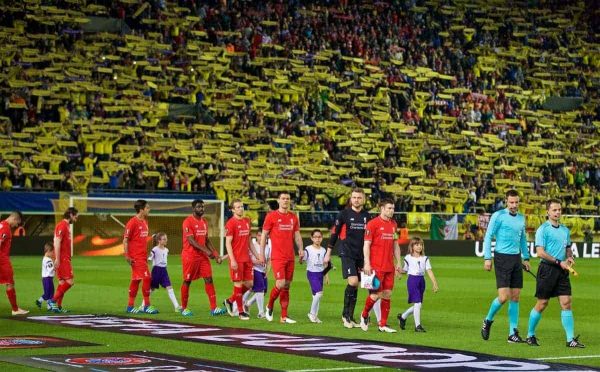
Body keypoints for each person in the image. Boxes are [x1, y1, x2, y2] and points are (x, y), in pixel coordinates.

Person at [525, 199, 584, 348]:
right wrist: (559, 262)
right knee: (542, 303)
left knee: (566, 303)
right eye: (554, 210)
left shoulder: (565, 230)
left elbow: (568, 247)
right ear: (548, 212)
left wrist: (570, 256)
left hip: (562, 271)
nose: (557, 212)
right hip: (547, 270)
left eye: (559, 210)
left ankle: (570, 339)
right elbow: (540, 253)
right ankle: (530, 335)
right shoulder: (542, 229)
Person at [481, 189, 530, 343]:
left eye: (516, 202)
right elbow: (488, 235)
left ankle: (512, 333)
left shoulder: (522, 218)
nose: (514, 205)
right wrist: (487, 257)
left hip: (516, 259)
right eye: (511, 202)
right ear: (506, 202)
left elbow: (522, 239)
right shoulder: (498, 216)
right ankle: (488, 320)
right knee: (503, 297)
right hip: (502, 258)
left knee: (515, 297)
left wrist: (526, 257)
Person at [325, 188, 370, 328]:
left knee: (357, 286)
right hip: (347, 252)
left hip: (361, 255)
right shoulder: (343, 214)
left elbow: (369, 238)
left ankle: (351, 317)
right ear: (351, 199)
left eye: (359, 197)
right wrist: (328, 253)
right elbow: (334, 234)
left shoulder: (367, 217)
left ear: (363, 199)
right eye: (354, 197)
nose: (356, 200)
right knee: (353, 281)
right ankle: (345, 315)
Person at [259, 191, 304, 324]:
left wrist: (300, 249)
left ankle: (284, 316)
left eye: (287, 199)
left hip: (290, 256)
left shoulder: (293, 217)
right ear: (278, 201)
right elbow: (263, 236)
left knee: (287, 286)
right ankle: (270, 305)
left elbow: (297, 235)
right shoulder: (271, 216)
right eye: (283, 198)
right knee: (280, 283)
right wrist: (261, 254)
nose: (285, 201)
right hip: (277, 256)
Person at [359, 198, 402, 333]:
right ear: (381, 209)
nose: (391, 211)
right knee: (375, 295)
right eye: (389, 208)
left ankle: (382, 325)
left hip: (389, 266)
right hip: (376, 267)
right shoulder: (372, 224)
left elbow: (395, 245)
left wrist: (398, 262)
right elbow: (366, 245)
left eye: (393, 208)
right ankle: (364, 314)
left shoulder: (394, 224)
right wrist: (367, 263)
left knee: (387, 294)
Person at [180, 199, 226, 317]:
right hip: (190, 257)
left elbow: (206, 240)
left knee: (209, 279)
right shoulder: (187, 222)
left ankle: (214, 308)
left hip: (202, 257)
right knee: (187, 281)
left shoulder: (204, 222)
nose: (202, 209)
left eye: (203, 207)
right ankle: (184, 308)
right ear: (193, 208)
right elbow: (191, 240)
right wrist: (206, 251)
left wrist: (215, 254)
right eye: (199, 207)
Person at [223, 199, 258, 320]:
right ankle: (240, 311)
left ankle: (230, 300)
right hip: (236, 259)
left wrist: (257, 255)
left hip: (246, 259)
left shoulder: (247, 221)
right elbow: (228, 243)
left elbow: (249, 241)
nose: (240, 209)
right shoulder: (230, 223)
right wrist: (232, 260)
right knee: (238, 285)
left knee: (250, 284)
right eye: (237, 207)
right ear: (232, 210)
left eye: (242, 206)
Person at [397, 237, 439, 332]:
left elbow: (429, 271)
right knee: (418, 303)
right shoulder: (408, 257)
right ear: (412, 246)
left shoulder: (425, 258)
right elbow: (405, 270)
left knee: (418, 305)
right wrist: (400, 271)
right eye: (417, 244)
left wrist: (434, 283)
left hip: (421, 280)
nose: (419, 246)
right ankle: (418, 326)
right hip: (412, 280)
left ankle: (403, 317)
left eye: (420, 245)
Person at [123, 200, 158, 314]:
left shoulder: (145, 222)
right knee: (147, 278)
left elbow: (141, 239)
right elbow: (125, 240)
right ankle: (147, 305)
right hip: (135, 257)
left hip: (142, 256)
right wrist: (127, 255)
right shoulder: (132, 222)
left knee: (136, 280)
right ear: (141, 209)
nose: (149, 209)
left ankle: (130, 306)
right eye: (147, 208)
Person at [139, 232, 181, 312]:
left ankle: (177, 306)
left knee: (169, 287)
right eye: (164, 239)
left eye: (166, 239)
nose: (166, 240)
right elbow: (150, 258)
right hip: (156, 271)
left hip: (164, 271)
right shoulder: (155, 249)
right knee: (151, 289)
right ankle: (142, 305)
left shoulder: (166, 250)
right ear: (159, 240)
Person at [48, 207, 79, 313]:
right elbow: (56, 241)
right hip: (62, 258)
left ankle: (58, 306)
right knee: (70, 282)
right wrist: (57, 258)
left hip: (64, 257)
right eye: (75, 216)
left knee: (62, 283)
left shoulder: (66, 226)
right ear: (70, 215)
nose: (76, 218)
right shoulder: (62, 225)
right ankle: (52, 301)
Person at [0, 211, 28, 315]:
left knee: (9, 283)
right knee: (10, 283)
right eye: (17, 223)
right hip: (2, 260)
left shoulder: (2, 224)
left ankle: (15, 309)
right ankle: (15, 309)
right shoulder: (5, 228)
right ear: (15, 219)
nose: (16, 225)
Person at [241, 230, 271, 318]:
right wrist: (257, 261)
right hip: (254, 269)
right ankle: (261, 313)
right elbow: (248, 259)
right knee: (259, 290)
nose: (261, 237)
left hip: (263, 271)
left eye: (263, 236)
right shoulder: (253, 246)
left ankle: (247, 303)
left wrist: (268, 270)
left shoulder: (268, 247)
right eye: (259, 235)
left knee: (263, 291)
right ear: (256, 236)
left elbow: (269, 260)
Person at [305, 229, 329, 323]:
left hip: (320, 274)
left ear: (322, 238)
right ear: (312, 238)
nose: (317, 239)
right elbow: (303, 259)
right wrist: (301, 258)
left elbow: (325, 264)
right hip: (312, 273)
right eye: (315, 237)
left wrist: (326, 276)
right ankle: (311, 313)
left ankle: (315, 316)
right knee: (319, 293)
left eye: (319, 237)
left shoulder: (323, 250)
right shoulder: (308, 249)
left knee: (316, 295)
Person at [35, 242, 55, 311]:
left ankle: (48, 306)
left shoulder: (44, 258)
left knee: (50, 292)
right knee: (48, 293)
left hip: (46, 278)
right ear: (48, 251)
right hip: (48, 278)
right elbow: (51, 268)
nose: (53, 254)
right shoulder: (48, 260)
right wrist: (55, 264)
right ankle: (40, 301)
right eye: (52, 252)